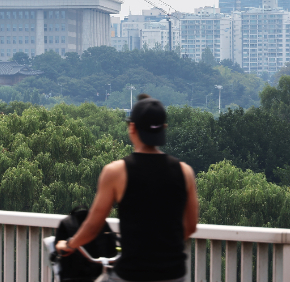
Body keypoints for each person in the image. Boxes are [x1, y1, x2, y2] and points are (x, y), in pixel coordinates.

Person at [56, 94, 199, 282]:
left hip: (132, 274)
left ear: (132, 127)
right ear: (164, 128)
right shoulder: (185, 172)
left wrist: (70, 244)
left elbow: (93, 226)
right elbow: (190, 227)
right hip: (174, 274)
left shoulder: (116, 172)